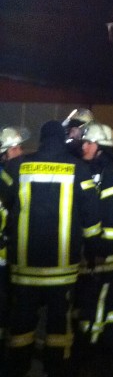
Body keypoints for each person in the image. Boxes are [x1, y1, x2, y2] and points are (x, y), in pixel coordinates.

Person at [0, 120, 101, 377]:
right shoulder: (79, 169)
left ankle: (17, 368)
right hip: (62, 265)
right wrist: (93, 249)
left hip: (25, 263)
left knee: (22, 317)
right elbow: (91, 215)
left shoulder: (18, 166)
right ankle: (56, 371)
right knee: (59, 320)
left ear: (42, 139)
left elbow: (4, 199)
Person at [75, 122, 113, 355]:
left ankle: (93, 342)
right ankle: (112, 334)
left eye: (89, 143)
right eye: (84, 142)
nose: (84, 147)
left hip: (107, 248)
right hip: (93, 247)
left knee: (99, 294)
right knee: (107, 293)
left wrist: (102, 248)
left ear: (101, 147)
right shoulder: (91, 169)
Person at [0, 128, 29, 347]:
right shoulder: (5, 176)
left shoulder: (12, 173)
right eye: (14, 149)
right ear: (4, 154)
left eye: (20, 148)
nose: (19, 152)